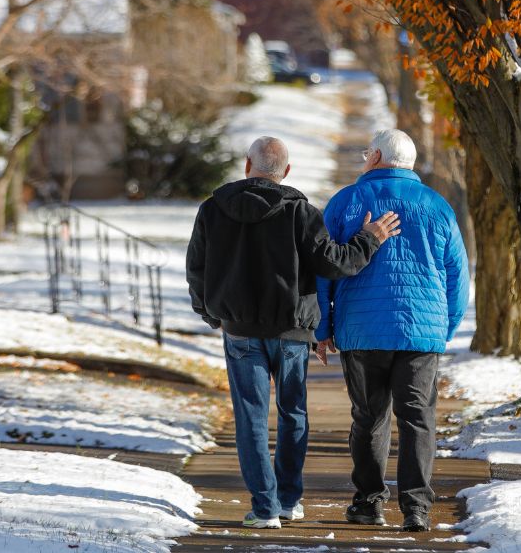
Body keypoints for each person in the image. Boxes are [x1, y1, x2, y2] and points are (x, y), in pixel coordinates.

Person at [186, 136, 401, 529]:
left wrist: (212, 315)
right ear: (285, 172)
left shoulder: (212, 210)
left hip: (239, 332)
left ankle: (264, 508)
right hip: (291, 332)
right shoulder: (300, 211)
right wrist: (371, 237)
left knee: (250, 418)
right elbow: (334, 264)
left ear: (247, 166)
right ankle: (288, 499)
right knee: (293, 413)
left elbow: (196, 269)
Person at [315, 128, 469, 533]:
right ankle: (416, 507)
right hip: (422, 334)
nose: (365, 158)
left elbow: (325, 270)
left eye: (368, 153)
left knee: (369, 417)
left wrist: (323, 327)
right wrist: (444, 327)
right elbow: (458, 276)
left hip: (361, 330)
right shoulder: (437, 206)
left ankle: (368, 504)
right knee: (418, 418)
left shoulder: (347, 203)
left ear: (378, 157)